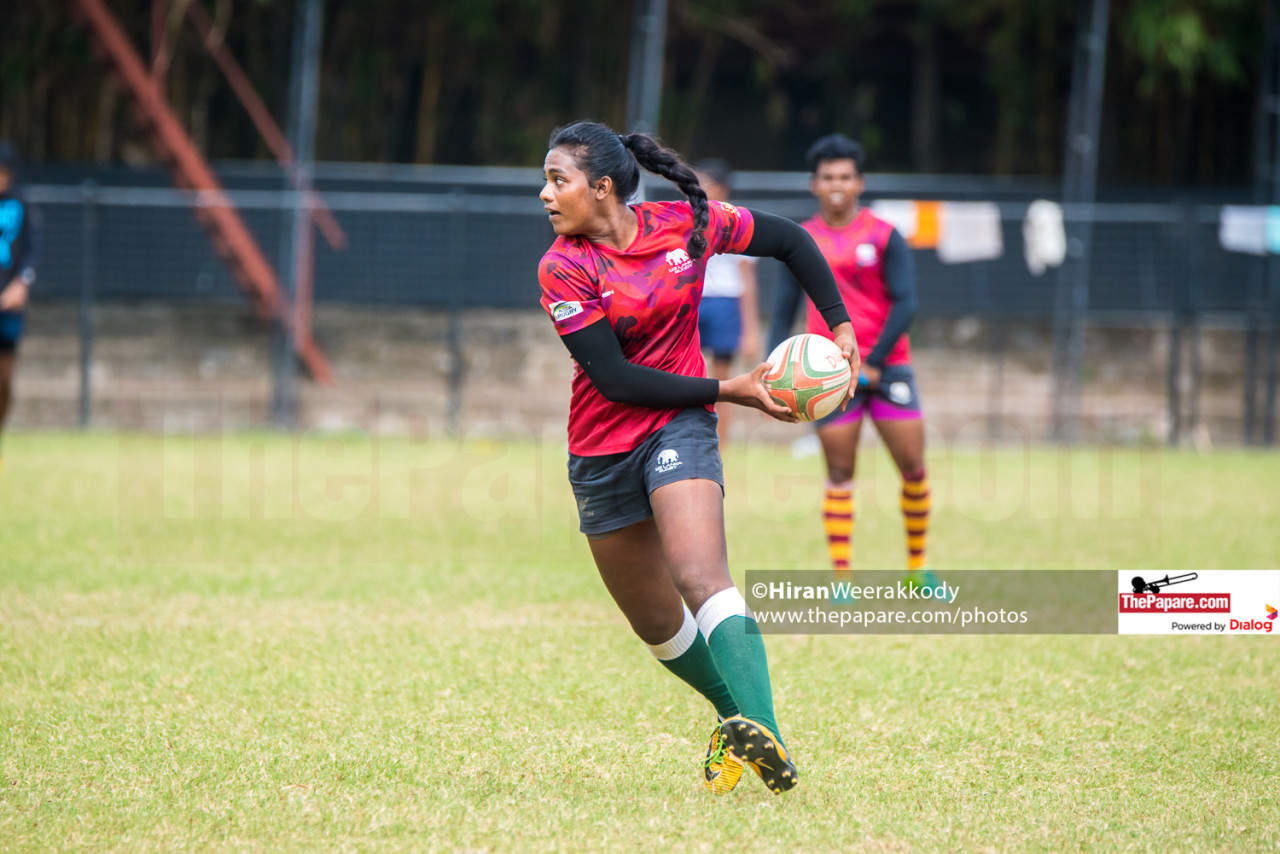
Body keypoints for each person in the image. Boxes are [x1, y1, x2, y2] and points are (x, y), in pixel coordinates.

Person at [537, 120, 858, 794]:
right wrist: (735, 389)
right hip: (601, 449)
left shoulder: (688, 224)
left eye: (557, 180)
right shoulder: (562, 265)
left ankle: (766, 733)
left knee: (701, 575)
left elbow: (791, 241)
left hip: (679, 427)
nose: (545, 194)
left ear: (601, 188)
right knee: (654, 623)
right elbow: (616, 380)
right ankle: (733, 717)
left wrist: (839, 323)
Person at [769, 134, 944, 596]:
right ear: (814, 184)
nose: (837, 185)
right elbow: (783, 308)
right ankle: (842, 579)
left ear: (859, 182)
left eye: (845, 176)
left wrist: (876, 363)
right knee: (840, 473)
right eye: (828, 177)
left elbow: (906, 304)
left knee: (913, 467)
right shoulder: (800, 241)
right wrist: (771, 365)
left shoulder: (885, 236)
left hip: (890, 368)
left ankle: (917, 571)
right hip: (827, 374)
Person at [693, 159, 761, 448]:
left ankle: (721, 443)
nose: (701, 189)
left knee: (723, 380)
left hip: (725, 305)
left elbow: (748, 280)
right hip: (693, 303)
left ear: (723, 188)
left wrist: (751, 330)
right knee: (688, 374)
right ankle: (687, 437)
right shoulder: (686, 221)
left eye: (707, 183)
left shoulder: (738, 222)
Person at [0, 142, 39, 470]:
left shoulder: (21, 204)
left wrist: (21, 284)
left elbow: (31, 253)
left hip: (8, 304)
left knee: (4, 378)